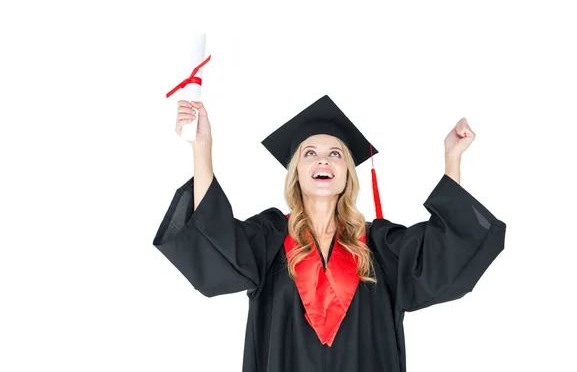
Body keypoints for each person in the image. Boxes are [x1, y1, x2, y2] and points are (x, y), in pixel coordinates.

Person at [153, 94, 506, 372]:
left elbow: (445, 254)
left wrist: (452, 160)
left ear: (347, 173)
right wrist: (202, 148)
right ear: (297, 172)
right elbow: (213, 243)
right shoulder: (269, 237)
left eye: (335, 153)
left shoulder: (380, 246)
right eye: (310, 153)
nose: (323, 160)